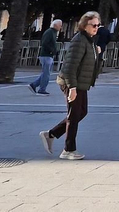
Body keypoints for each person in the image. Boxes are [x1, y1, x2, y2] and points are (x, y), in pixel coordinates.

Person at [42, 11, 103, 160]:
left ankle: (51, 134)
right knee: (74, 115)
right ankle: (68, 150)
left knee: (81, 112)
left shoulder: (89, 41)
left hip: (81, 83)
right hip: (72, 82)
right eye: (93, 25)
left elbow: (90, 66)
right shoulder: (79, 40)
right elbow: (70, 67)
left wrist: (97, 53)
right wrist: (72, 88)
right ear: (84, 25)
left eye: (98, 25)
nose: (96, 28)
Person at [30, 19, 63, 95]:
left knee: (46, 73)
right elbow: (44, 43)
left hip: (48, 55)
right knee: (46, 73)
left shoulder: (53, 32)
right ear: (55, 25)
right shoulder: (50, 32)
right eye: (60, 25)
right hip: (46, 55)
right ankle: (42, 89)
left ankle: (34, 85)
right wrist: (51, 51)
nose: (60, 27)